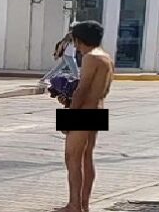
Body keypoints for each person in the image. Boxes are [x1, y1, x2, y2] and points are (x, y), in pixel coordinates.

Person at [57, 20, 113, 212]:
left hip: (83, 111)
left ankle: (74, 205)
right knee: (87, 157)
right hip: (98, 109)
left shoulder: (90, 57)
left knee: (72, 158)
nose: (76, 47)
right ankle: (84, 204)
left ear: (81, 39)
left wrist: (69, 116)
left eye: (76, 42)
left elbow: (82, 90)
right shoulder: (106, 57)